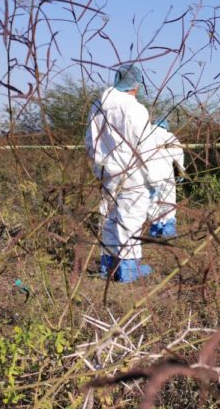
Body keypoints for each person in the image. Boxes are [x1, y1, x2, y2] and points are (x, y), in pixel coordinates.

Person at [85, 63, 157, 282]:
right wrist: (154, 180)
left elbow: (90, 142)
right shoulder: (135, 109)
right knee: (130, 218)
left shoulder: (98, 107)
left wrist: (99, 170)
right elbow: (145, 146)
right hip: (132, 172)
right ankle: (128, 268)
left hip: (107, 173)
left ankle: (108, 265)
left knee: (109, 217)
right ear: (135, 85)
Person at [147, 118, 185, 238]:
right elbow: (178, 155)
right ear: (165, 126)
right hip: (165, 174)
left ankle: (155, 228)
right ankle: (167, 230)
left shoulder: (145, 135)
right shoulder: (169, 136)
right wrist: (181, 171)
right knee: (168, 200)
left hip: (148, 175)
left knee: (152, 201)